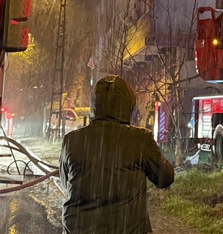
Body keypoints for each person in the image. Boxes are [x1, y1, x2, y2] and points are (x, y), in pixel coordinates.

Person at [59, 75, 174, 234]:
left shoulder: (71, 140)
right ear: (128, 105)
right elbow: (165, 178)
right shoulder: (140, 139)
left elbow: (66, 183)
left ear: (94, 104)